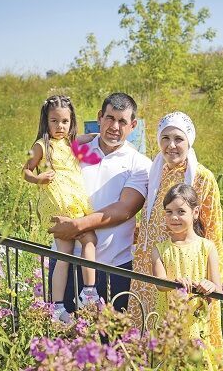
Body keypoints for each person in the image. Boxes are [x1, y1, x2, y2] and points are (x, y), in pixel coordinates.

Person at [130, 111, 223, 356]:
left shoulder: (202, 178)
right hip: (150, 265)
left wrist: (213, 282)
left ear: (189, 141)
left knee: (187, 341)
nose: (171, 145)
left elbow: (213, 232)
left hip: (187, 270)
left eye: (178, 139)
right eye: (165, 138)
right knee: (151, 335)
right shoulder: (154, 171)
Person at [47, 92, 152, 313]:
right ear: (99, 118)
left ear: (132, 125)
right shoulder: (74, 151)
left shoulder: (140, 164)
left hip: (113, 268)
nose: (115, 126)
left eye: (122, 121)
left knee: (109, 343)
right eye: (109, 118)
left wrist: (77, 226)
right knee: (61, 342)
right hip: (65, 261)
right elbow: (43, 149)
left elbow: (124, 209)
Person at [22, 95, 100, 323]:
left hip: (75, 204)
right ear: (46, 121)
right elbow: (25, 170)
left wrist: (101, 135)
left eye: (65, 121)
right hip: (58, 205)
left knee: (76, 248)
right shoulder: (40, 146)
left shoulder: (70, 142)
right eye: (54, 121)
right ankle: (78, 296)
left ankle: (71, 300)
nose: (60, 126)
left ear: (71, 122)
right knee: (78, 246)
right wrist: (38, 179)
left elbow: (92, 137)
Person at [152, 183, 222, 368]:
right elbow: (160, 283)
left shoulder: (207, 247)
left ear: (195, 212)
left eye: (181, 211)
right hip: (170, 326)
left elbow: (218, 287)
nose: (174, 217)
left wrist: (210, 286)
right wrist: (175, 283)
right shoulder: (160, 250)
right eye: (169, 212)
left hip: (196, 327)